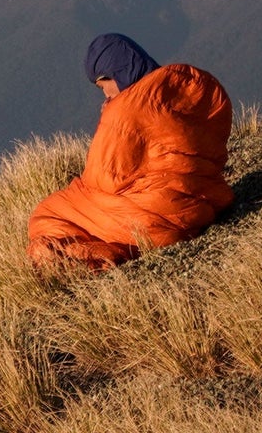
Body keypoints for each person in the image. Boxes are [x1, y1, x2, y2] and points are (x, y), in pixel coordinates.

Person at [27, 33, 234, 270]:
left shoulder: (123, 111)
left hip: (159, 218)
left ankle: (93, 255)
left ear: (117, 72)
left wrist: (109, 117)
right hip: (203, 201)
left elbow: (104, 178)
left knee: (48, 214)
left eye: (103, 84)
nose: (105, 94)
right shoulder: (188, 86)